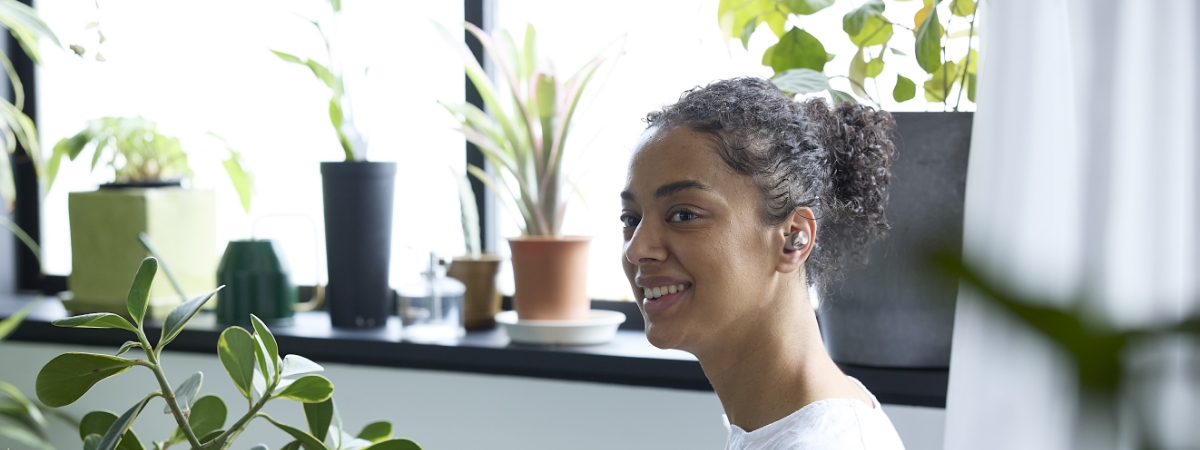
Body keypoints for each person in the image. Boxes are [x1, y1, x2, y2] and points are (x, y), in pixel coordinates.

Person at [620, 77, 905, 450]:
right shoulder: (788, 422)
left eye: (684, 215)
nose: (637, 249)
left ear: (792, 238)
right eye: (630, 219)